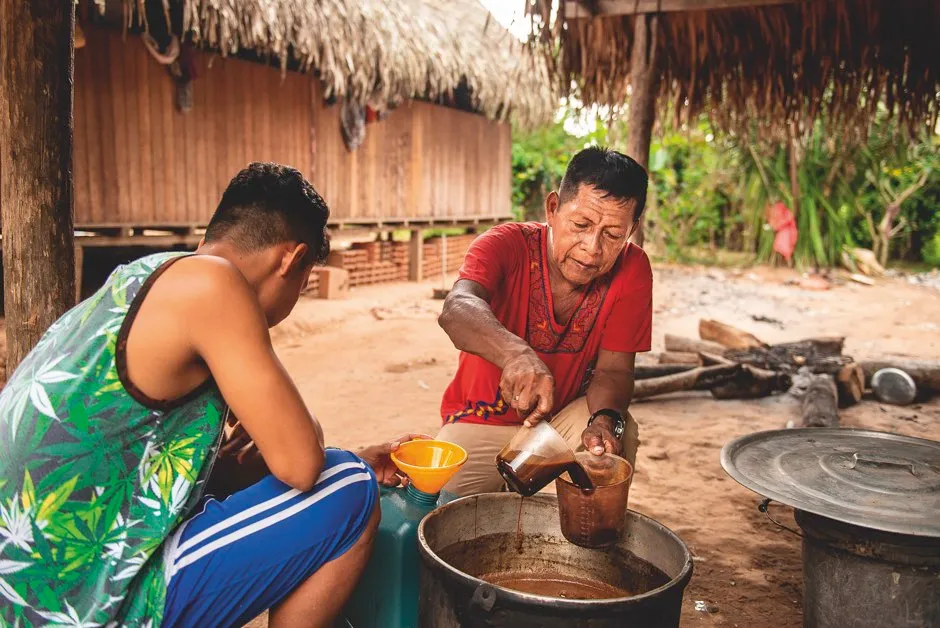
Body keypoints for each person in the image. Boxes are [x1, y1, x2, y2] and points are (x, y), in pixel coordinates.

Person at [0, 163, 416, 627]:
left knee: (251, 471)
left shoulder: (145, 276)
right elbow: (304, 462)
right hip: (84, 608)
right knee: (351, 487)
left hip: (27, 595)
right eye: (303, 283)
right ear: (291, 260)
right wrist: (347, 459)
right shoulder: (214, 286)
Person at [436, 147, 653, 497]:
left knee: (616, 433)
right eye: (581, 225)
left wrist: (604, 421)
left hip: (560, 427)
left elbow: (614, 371)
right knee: (441, 511)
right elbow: (457, 307)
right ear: (552, 209)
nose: (592, 247)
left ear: (632, 231)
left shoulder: (633, 268)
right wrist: (516, 355)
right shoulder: (505, 244)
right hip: (478, 422)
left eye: (612, 235)